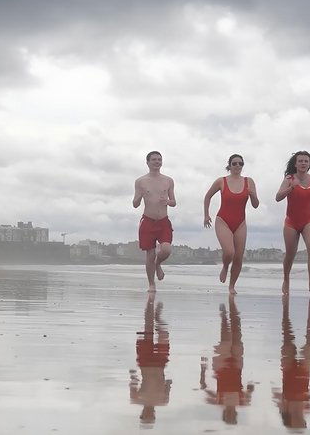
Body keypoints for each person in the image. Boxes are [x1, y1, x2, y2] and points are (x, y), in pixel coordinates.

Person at [203, 154, 260, 294]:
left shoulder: (249, 181)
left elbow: (256, 205)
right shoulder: (221, 181)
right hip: (223, 220)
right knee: (229, 252)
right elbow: (208, 196)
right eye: (234, 163)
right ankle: (225, 266)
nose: (238, 166)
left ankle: (232, 286)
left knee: (239, 257)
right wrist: (206, 215)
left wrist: (253, 195)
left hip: (240, 223)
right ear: (229, 165)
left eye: (240, 163)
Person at [199, 295, 254, 425]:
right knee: (237, 336)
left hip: (221, 366)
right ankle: (233, 316)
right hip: (236, 365)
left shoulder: (218, 401)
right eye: (232, 416)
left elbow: (203, 386)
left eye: (228, 415)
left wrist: (203, 369)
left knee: (225, 337)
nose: (230, 413)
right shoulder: (242, 402)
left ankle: (224, 317)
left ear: (224, 413)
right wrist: (250, 388)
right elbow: (250, 389)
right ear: (235, 414)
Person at [275, 151, 310, 294]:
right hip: (291, 222)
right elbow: (277, 197)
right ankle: (286, 279)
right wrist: (291, 187)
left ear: (309, 164)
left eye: (306, 161)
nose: (303, 163)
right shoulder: (289, 179)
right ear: (295, 164)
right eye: (300, 161)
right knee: (290, 253)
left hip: (308, 220)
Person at [272, 297, 310, 429]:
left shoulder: (284, 407)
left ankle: (285, 311)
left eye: (300, 424)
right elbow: (309, 393)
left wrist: (278, 395)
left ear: (291, 421)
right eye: (303, 424)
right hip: (305, 372)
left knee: (288, 338)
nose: (303, 422)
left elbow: (275, 394)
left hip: (288, 370)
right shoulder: (307, 409)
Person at [133, 151, 176, 291]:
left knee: (166, 249)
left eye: (159, 159)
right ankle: (151, 284)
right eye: (154, 160)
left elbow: (174, 202)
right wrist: (140, 196)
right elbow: (135, 204)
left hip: (163, 221)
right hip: (148, 221)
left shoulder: (168, 180)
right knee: (150, 254)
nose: (157, 162)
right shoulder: (141, 181)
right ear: (148, 162)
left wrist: (168, 201)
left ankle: (158, 264)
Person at [129, 292, 171, 427]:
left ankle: (152, 313)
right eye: (150, 416)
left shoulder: (136, 400)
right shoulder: (163, 401)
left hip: (145, 364)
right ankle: (157, 318)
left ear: (141, 414)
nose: (148, 414)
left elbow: (133, 384)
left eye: (145, 416)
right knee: (164, 334)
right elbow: (168, 385)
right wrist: (168, 382)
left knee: (148, 330)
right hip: (159, 365)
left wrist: (133, 376)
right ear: (154, 415)